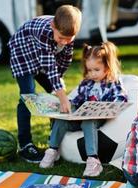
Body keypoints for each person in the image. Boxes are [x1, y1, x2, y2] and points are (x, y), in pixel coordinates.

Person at [39, 41, 128, 177]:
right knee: (61, 119)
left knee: (88, 120)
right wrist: (63, 106)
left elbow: (121, 98)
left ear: (108, 67)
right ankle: (52, 150)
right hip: (80, 117)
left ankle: (93, 159)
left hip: (97, 119)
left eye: (96, 70)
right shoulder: (86, 83)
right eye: (89, 70)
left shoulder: (113, 83)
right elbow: (75, 99)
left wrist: (107, 108)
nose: (92, 74)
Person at [7, 5, 82, 163]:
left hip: (42, 54)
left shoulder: (67, 35)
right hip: (23, 51)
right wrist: (62, 97)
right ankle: (26, 145)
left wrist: (58, 88)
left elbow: (64, 62)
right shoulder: (44, 32)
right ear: (53, 26)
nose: (65, 42)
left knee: (55, 94)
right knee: (28, 97)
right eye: (61, 38)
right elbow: (49, 67)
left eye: (69, 39)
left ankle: (54, 141)